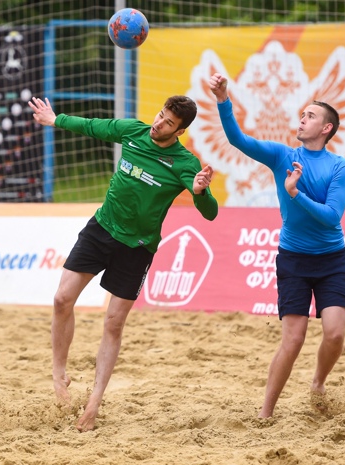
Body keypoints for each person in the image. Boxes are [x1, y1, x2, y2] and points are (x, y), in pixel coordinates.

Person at [28, 95, 218, 432]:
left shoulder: (185, 163)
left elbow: (211, 213)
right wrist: (55, 119)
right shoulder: (133, 131)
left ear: (180, 131)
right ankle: (59, 373)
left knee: (113, 323)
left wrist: (201, 192)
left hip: (137, 248)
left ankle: (93, 404)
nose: (159, 124)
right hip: (101, 229)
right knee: (61, 299)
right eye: (160, 115)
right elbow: (92, 126)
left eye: (169, 123)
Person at [208, 73, 345, 419]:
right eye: (302, 115)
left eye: (310, 116)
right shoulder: (281, 155)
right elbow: (238, 139)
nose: (302, 119)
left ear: (326, 128)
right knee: (293, 339)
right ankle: (266, 413)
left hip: (332, 259)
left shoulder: (339, 166)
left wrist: (295, 194)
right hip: (293, 259)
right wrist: (223, 99)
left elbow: (331, 218)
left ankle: (318, 382)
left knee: (335, 335)